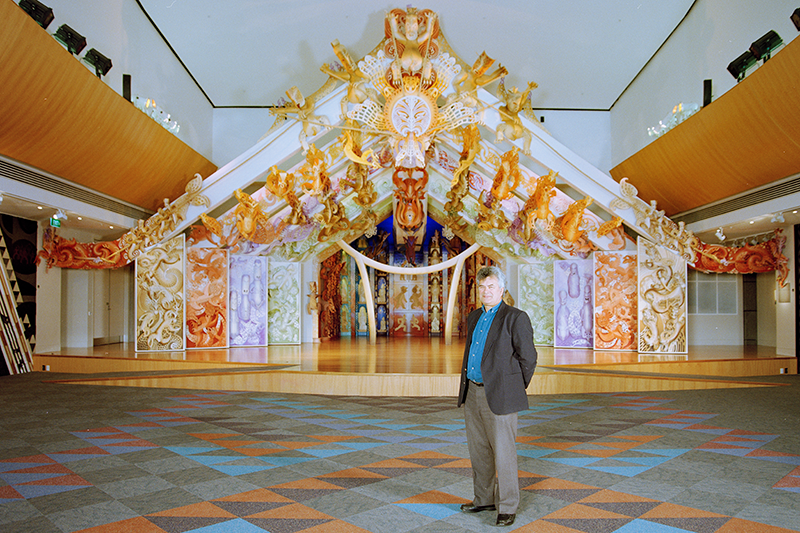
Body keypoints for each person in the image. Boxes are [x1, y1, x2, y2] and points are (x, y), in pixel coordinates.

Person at [457, 266, 538, 527]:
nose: (486, 291)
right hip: (473, 392)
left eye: (491, 286)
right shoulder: (473, 318)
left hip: (500, 395)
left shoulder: (515, 318)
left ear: (501, 290)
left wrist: (513, 386)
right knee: (479, 451)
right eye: (482, 287)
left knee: (503, 453)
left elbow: (529, 358)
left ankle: (507, 506)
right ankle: (483, 499)